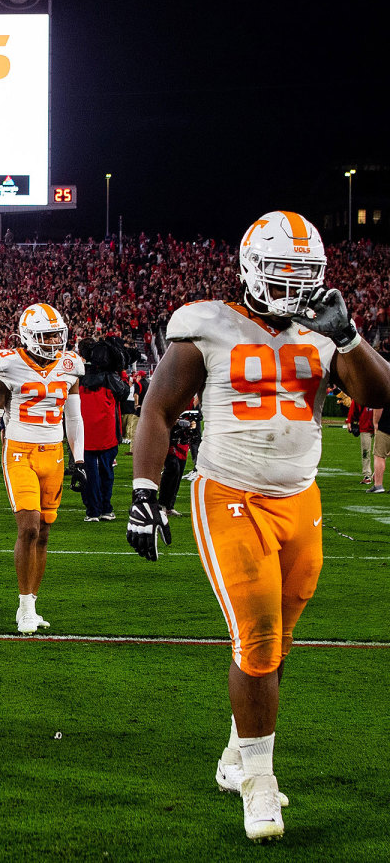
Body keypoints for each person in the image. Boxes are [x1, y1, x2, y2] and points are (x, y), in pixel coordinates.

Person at [125, 211, 390, 841]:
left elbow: (381, 397)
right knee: (260, 635)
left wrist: (349, 337)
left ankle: (236, 753)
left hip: (300, 498)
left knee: (276, 645)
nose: (297, 285)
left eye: (306, 273)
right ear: (252, 270)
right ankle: (259, 782)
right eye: (284, 272)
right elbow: (159, 409)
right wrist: (144, 491)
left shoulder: (324, 331)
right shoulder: (206, 323)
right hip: (229, 491)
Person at [0, 304, 86, 634]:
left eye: (56, 334)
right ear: (28, 335)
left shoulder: (70, 366)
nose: (53, 341)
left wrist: (78, 461)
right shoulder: (7, 365)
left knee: (45, 533)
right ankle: (23, 606)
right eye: (46, 335)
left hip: (54, 455)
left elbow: (74, 418)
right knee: (29, 528)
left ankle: (33, 604)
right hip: (19, 452)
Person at [78, 381, 120, 522]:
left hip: (85, 434)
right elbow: (124, 392)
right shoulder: (110, 382)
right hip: (106, 433)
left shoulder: (79, 382)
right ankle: (105, 509)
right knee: (106, 473)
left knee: (89, 474)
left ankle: (93, 511)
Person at [345, 401, 375, 483]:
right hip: (365, 426)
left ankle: (377, 473)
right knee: (365, 452)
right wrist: (349, 421)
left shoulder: (380, 391)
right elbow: (353, 407)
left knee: (380, 453)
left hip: (380, 427)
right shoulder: (361, 394)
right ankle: (367, 475)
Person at [368, 407, 388, 493]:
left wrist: (375, 422)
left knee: (379, 456)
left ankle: (378, 485)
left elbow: (379, 405)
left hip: (385, 428)